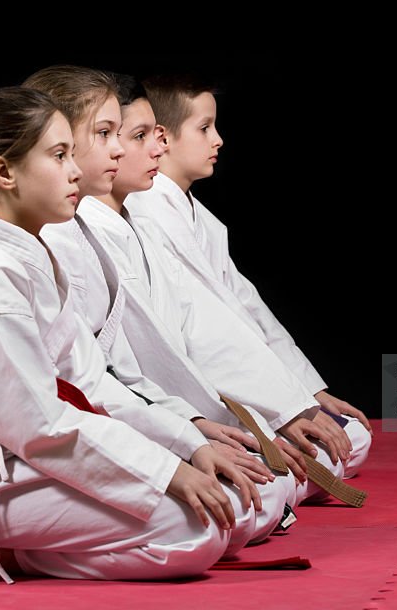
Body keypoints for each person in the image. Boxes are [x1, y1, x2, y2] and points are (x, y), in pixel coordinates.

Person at [0, 87, 261, 583]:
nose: (76, 170)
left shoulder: (30, 260)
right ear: (4, 173)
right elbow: (42, 426)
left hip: (34, 455)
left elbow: (91, 386)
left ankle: (28, 543)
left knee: (242, 505)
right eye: (59, 156)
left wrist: (187, 445)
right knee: (197, 530)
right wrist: (165, 472)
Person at [22, 66, 298, 528]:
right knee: (230, 511)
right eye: (108, 134)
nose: (128, 149)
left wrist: (192, 429)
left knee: (260, 489)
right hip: (40, 453)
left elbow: (117, 370)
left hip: (115, 421)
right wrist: (176, 452)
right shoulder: (30, 251)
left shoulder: (89, 233)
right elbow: (57, 402)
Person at [70, 71, 361, 504]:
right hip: (133, 421)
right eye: (115, 134)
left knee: (338, 441)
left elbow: (233, 314)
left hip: (182, 406)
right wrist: (200, 432)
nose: (157, 147)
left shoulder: (143, 222)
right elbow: (125, 369)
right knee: (253, 497)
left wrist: (297, 397)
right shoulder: (101, 226)